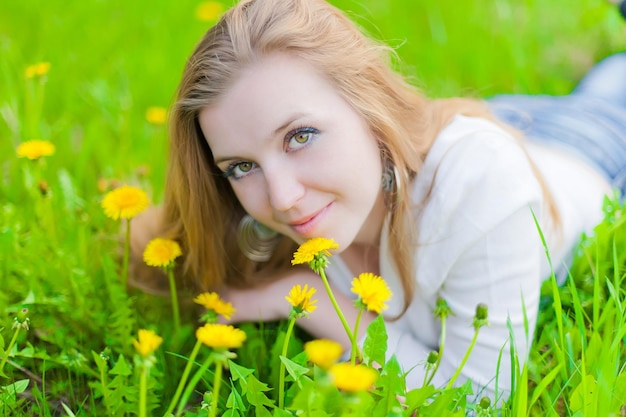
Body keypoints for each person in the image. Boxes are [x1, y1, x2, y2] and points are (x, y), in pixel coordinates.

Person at [131, 0, 625, 401]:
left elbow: (477, 402)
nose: (282, 199)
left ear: (370, 106)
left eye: (300, 136)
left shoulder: (481, 186)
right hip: (505, 121)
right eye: (242, 166)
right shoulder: (254, 216)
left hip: (594, 150)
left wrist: (315, 303)